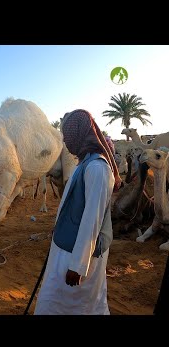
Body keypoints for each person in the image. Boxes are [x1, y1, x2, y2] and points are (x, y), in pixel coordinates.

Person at [34, 109, 122, 315]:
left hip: (77, 256)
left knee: (76, 305)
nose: (65, 142)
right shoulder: (84, 163)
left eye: (68, 137)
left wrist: (78, 266)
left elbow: (92, 220)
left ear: (79, 135)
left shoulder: (97, 168)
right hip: (66, 247)